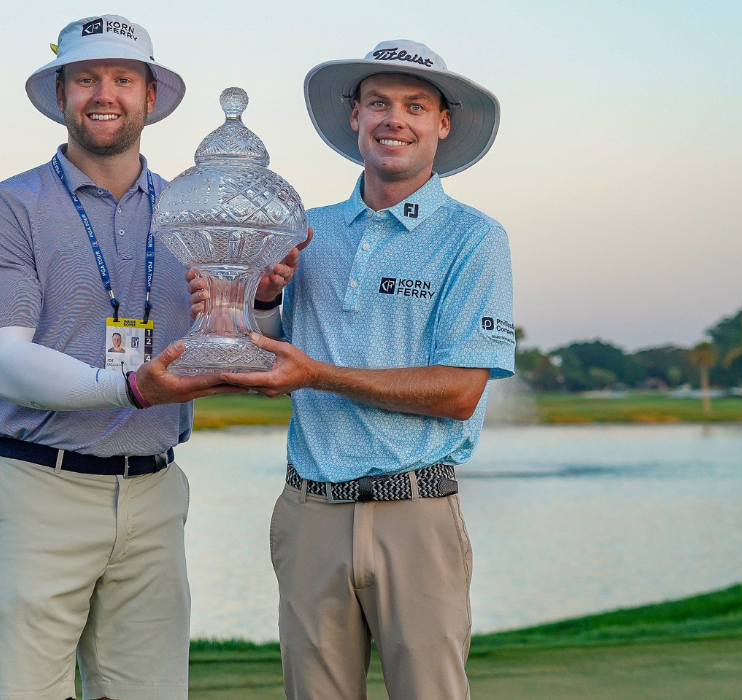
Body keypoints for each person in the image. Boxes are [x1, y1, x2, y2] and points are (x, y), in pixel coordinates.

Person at [0, 15, 304, 700]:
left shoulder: (191, 211)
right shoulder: (6, 208)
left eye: (121, 79)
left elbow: (240, 345)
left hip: (154, 492)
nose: (103, 94)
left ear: (150, 98)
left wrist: (257, 298)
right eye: (85, 79)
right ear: (61, 96)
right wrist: (131, 388)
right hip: (37, 488)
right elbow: (1, 362)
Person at [191, 39, 513, 699]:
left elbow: (459, 391)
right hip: (310, 514)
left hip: (416, 515)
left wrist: (319, 375)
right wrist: (264, 296)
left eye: (415, 106)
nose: (395, 119)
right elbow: (261, 355)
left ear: (441, 125)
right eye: (378, 103)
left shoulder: (474, 238)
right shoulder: (305, 229)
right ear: (355, 118)